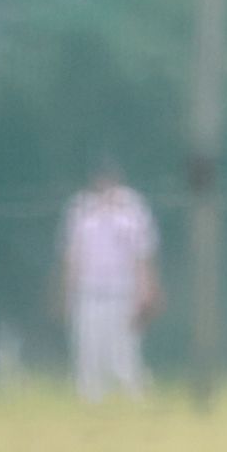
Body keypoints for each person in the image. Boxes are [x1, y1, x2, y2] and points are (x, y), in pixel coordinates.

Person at [58, 162, 158, 402]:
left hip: (123, 291)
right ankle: (90, 394)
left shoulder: (133, 209)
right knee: (89, 345)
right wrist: (67, 291)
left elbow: (142, 255)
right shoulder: (80, 208)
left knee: (125, 347)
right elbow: (73, 254)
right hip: (89, 290)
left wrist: (145, 291)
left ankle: (131, 392)